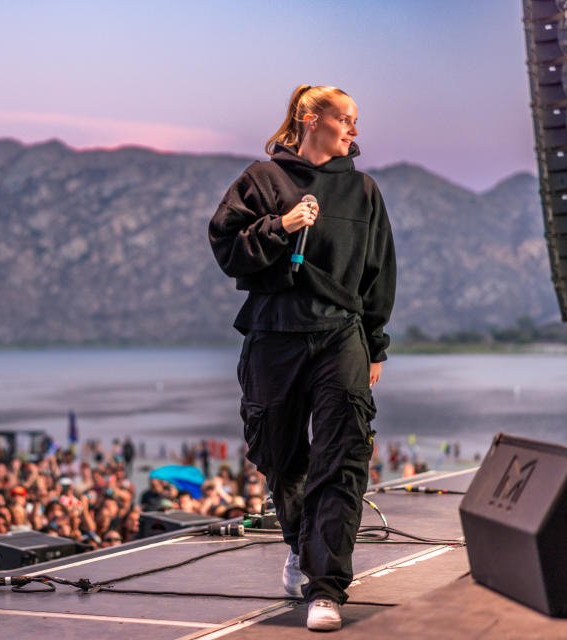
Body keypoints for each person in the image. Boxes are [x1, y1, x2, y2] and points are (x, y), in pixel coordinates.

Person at [209, 84, 395, 632]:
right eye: (346, 119)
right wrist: (279, 227)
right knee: (281, 456)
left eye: (356, 122)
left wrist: (375, 345)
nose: (354, 130)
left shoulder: (363, 191)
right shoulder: (262, 181)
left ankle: (326, 588)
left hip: (342, 337)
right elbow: (226, 249)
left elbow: (379, 274)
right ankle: (300, 545)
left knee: (341, 461)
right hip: (274, 337)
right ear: (310, 119)